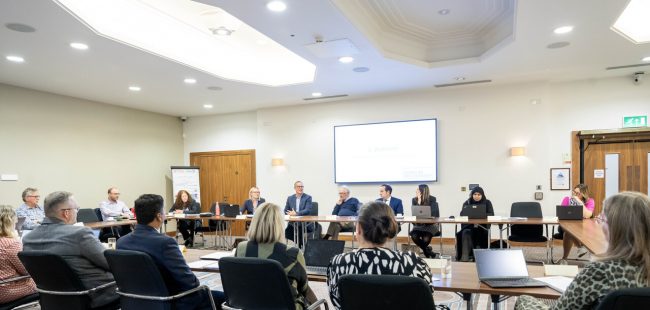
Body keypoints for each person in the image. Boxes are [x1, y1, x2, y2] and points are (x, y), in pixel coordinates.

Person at [515, 191, 650, 310]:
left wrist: (524, 300)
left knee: (524, 299)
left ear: (616, 227)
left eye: (602, 219)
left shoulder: (601, 271)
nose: (599, 223)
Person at [118, 194, 225, 310]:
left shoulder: (121, 242)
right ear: (159, 216)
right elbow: (191, 283)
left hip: (134, 301)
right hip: (171, 300)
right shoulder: (165, 243)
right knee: (225, 298)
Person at [327, 201, 432, 310]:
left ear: (358, 229)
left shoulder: (338, 263)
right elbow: (426, 300)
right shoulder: (414, 262)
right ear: (392, 228)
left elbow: (338, 303)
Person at [22, 191, 118, 308]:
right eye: (76, 209)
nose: (77, 212)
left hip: (53, 299)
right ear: (66, 213)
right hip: (96, 295)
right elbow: (111, 264)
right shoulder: (79, 234)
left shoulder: (28, 239)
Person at [235, 202, 317, 309]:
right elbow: (304, 289)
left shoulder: (241, 248)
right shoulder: (293, 253)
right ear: (280, 225)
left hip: (248, 305)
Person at [0, 205, 37, 304]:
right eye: (15, 219)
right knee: (46, 281)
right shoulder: (10, 243)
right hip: (5, 290)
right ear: (9, 221)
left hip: (4, 286)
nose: (17, 222)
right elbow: (27, 271)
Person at [558, 184, 595, 263]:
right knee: (568, 230)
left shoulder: (590, 201)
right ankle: (580, 247)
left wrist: (579, 202)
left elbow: (588, 215)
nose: (574, 195)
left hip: (583, 228)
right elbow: (561, 213)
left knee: (567, 233)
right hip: (566, 226)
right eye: (574, 192)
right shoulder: (567, 199)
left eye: (578, 193)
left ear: (583, 194)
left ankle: (564, 259)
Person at [455, 186, 494, 262]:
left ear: (482, 195)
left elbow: (491, 214)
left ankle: (479, 256)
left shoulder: (487, 202)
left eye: (479, 194)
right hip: (469, 227)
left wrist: (481, 215)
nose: (476, 196)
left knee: (479, 233)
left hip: (482, 227)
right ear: (472, 194)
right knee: (465, 232)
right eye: (475, 194)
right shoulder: (467, 202)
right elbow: (462, 214)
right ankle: (465, 256)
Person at [409, 184, 440, 258]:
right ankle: (427, 250)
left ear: (422, 191)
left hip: (430, 225)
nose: (416, 191)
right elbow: (415, 214)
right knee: (414, 236)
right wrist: (419, 202)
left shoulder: (432, 199)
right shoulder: (414, 200)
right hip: (418, 225)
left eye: (417, 189)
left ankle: (426, 251)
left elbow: (434, 214)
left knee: (426, 239)